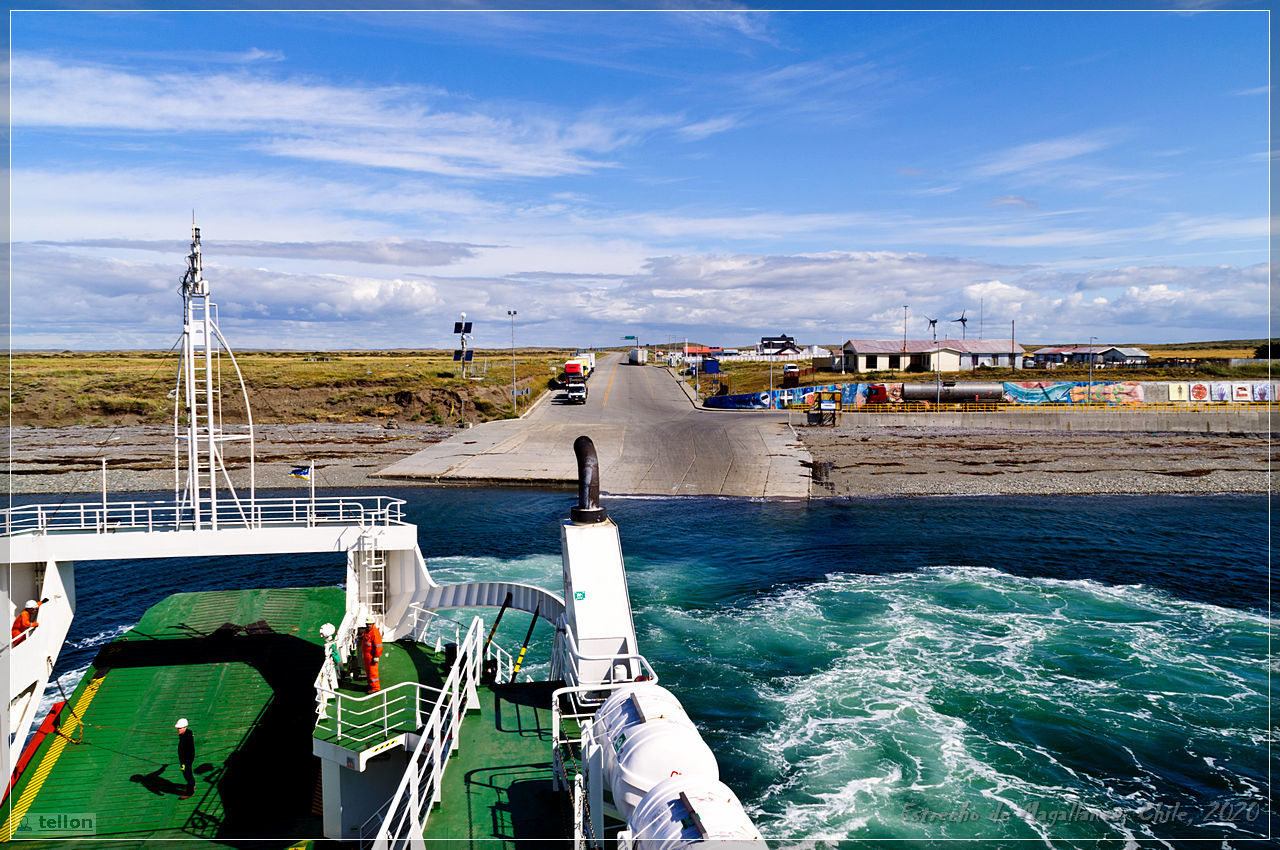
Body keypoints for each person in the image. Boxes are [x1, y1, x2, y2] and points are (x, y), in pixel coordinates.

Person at [360, 616, 383, 694]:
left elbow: (378, 646)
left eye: (370, 624)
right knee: (368, 672)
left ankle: (375, 688)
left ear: (373, 624)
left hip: (372, 657)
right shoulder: (367, 631)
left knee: (373, 672)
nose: (368, 625)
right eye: (367, 624)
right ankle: (371, 684)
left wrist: (376, 656)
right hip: (367, 656)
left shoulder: (375, 633)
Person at [175, 718, 195, 799]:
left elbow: (185, 751)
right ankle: (192, 785)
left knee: (187, 774)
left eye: (180, 728)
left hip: (186, 760)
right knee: (188, 773)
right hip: (188, 758)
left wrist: (183, 763)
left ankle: (190, 792)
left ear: (185, 727)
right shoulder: (188, 732)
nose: (178, 730)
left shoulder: (186, 738)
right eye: (177, 728)